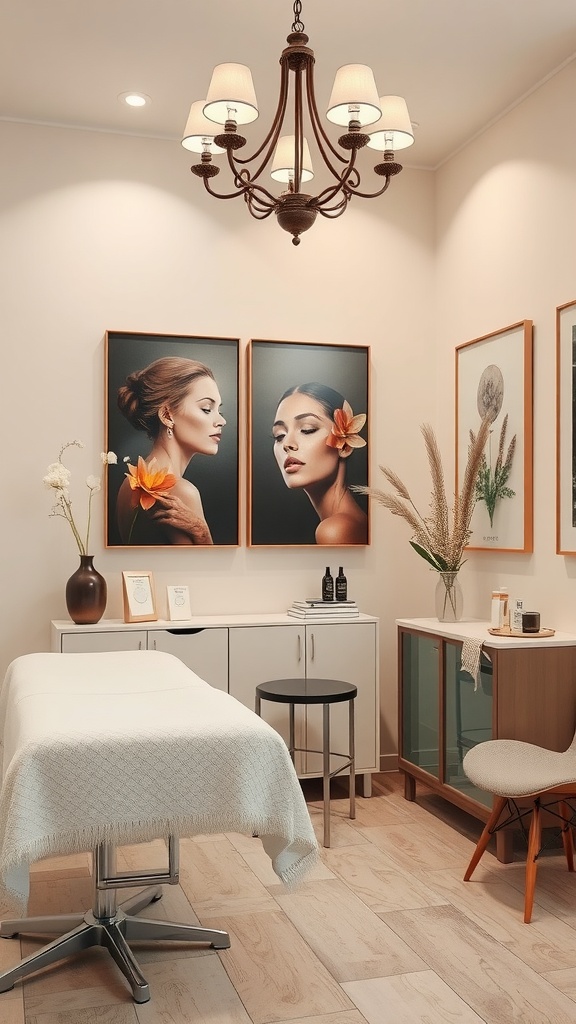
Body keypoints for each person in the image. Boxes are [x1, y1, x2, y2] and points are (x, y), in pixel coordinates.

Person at [115, 356, 226, 544]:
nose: (222, 421)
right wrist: (203, 533)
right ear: (167, 415)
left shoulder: (129, 484)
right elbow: (202, 564)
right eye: (206, 409)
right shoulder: (182, 492)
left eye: (219, 411)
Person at [272, 382, 368, 544]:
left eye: (307, 429)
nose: (287, 444)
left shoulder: (336, 530)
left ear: (345, 446)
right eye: (279, 435)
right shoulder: (352, 522)